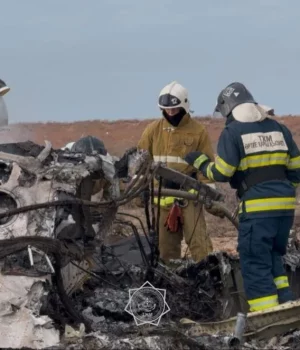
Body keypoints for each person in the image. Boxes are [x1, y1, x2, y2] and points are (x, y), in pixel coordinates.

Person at [184, 82, 300, 312]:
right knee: (273, 256)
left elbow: (222, 172)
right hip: (286, 208)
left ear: (228, 108)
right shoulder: (279, 128)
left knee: (255, 260)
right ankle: (287, 304)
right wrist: (282, 193)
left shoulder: (233, 132)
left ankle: (266, 315)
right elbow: (296, 170)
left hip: (258, 210)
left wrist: (199, 161)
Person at [137, 81, 216, 263]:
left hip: (189, 198)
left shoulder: (198, 131)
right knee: (165, 251)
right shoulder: (152, 131)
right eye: (166, 109)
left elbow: (206, 167)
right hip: (161, 200)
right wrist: (139, 191)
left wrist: (209, 194)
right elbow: (140, 164)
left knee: (199, 245)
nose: (170, 113)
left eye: (174, 109)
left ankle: (209, 280)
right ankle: (171, 287)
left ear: (184, 106)